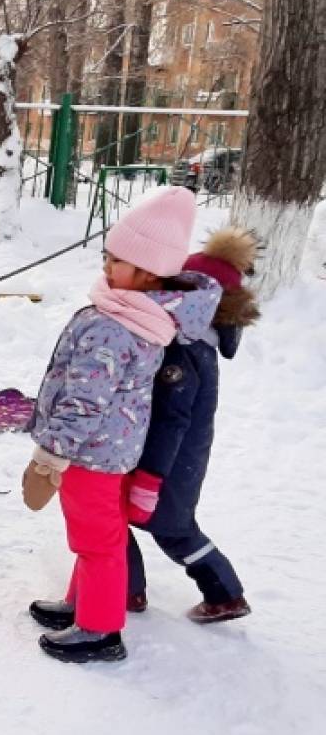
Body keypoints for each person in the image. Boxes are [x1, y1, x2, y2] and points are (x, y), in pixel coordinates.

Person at [23, 187, 221, 663]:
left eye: (118, 260)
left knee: (98, 542)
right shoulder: (131, 313)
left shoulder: (116, 326)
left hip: (89, 452)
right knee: (96, 535)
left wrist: (52, 453)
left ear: (148, 273)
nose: (106, 267)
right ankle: (82, 603)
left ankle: (99, 630)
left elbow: (86, 399)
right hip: (108, 450)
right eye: (107, 256)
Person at [125, 228, 260, 624]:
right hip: (175, 462)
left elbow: (173, 417)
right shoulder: (197, 343)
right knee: (167, 527)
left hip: (167, 464)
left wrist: (149, 478)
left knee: (172, 529)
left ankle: (224, 594)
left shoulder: (184, 350)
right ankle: (129, 587)